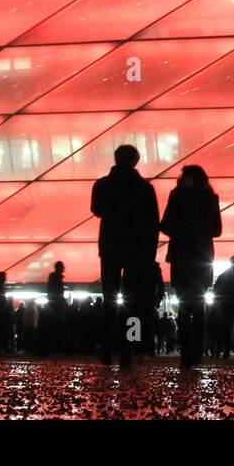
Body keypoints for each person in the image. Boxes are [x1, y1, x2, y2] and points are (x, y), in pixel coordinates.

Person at [90, 144, 161, 369]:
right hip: (137, 251)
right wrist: (150, 253)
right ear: (135, 161)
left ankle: (107, 347)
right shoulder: (144, 188)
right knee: (133, 302)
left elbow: (97, 209)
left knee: (109, 300)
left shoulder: (102, 184)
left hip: (110, 247)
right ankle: (129, 348)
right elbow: (153, 222)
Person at [160, 164, 221, 369]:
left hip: (181, 257)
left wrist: (182, 230)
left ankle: (187, 352)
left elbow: (166, 225)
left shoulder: (177, 196)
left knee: (185, 305)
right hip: (202, 258)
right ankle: (196, 351)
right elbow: (217, 230)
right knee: (198, 305)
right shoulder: (210, 198)